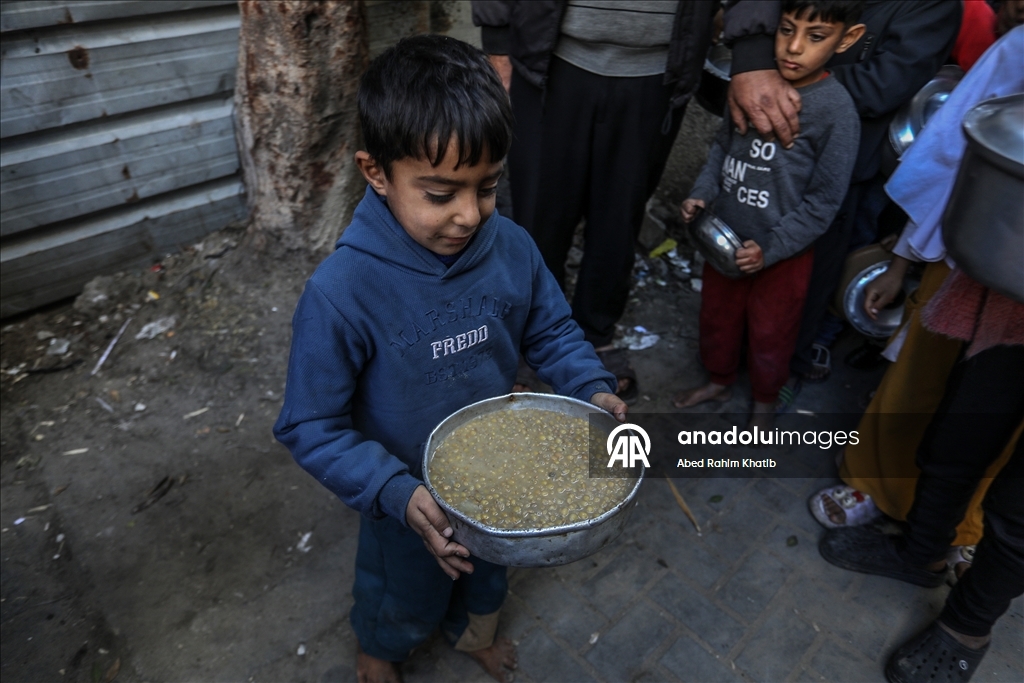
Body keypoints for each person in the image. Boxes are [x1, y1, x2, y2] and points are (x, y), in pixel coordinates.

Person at [273, 35, 627, 683]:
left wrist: (592, 389)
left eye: (487, 186)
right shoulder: (342, 294)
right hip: (408, 493)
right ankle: (380, 649)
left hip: (502, 477)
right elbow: (310, 425)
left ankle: (474, 636)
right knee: (403, 590)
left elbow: (551, 330)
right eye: (441, 194)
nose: (469, 215)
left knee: (489, 574)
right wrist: (392, 490)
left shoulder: (511, 247)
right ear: (376, 172)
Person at [471, 0, 804, 404]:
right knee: (539, 216)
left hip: (655, 76)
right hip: (549, 63)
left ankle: (595, 334)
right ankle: (531, 332)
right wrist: (498, 45)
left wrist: (752, 55)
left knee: (619, 221)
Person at [809, 26, 1024, 585]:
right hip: (975, 252)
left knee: (1008, 426)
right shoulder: (1019, 49)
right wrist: (902, 261)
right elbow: (951, 151)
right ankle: (875, 483)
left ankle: (965, 528)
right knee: (919, 380)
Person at [672, 0, 865, 429]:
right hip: (724, 240)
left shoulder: (835, 111)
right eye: (786, 29)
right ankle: (719, 380)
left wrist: (772, 247)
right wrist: (702, 195)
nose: (793, 47)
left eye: (816, 37)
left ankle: (764, 401)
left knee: (771, 333)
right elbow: (722, 148)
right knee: (717, 320)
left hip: (783, 255)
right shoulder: (750, 86)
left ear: (847, 39)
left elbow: (823, 202)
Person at [780, 0, 962, 385]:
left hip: (857, 159)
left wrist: (792, 78)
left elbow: (881, 87)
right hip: (794, 142)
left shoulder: (936, 7)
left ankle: (804, 352)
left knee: (831, 265)